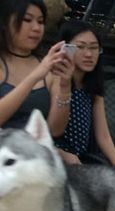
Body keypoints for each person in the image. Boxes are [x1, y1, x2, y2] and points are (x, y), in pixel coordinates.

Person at [55, 20, 115, 174]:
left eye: (94, 48)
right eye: (80, 47)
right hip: (52, 160)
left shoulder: (93, 89)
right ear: (65, 48)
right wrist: (62, 153)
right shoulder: (54, 80)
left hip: (81, 162)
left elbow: (104, 136)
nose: (88, 54)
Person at [0, 0, 72, 131]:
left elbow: (55, 131)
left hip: (35, 149)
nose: (36, 28)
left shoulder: (50, 66)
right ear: (5, 23)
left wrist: (65, 88)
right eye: (27, 20)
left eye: (40, 21)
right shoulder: (43, 67)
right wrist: (35, 76)